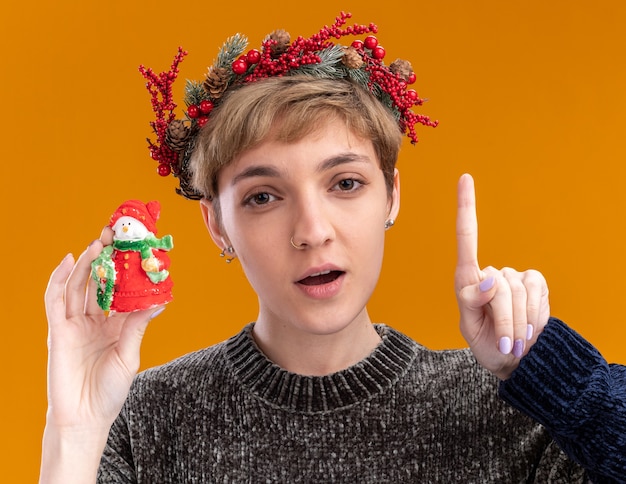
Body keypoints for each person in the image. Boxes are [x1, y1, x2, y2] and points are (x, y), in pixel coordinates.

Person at [39, 12, 625, 483]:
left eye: (345, 183)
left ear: (391, 195)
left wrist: (561, 380)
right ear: (216, 224)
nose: (312, 230)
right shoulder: (142, 418)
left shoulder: (512, 410)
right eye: (264, 197)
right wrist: (75, 432)